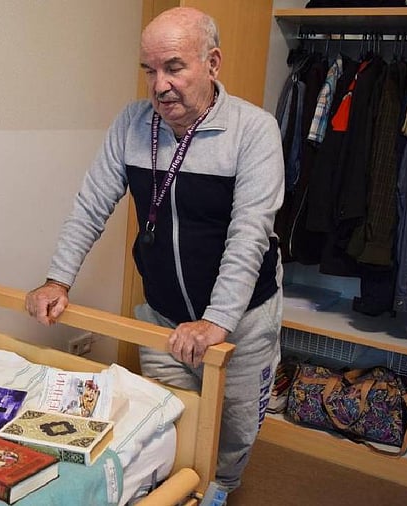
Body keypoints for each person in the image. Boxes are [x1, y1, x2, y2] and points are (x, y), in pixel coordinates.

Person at [24, 7, 284, 492]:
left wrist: (216, 321)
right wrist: (58, 279)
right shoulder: (132, 123)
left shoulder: (254, 131)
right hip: (162, 314)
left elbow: (249, 233)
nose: (159, 85)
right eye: (150, 70)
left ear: (213, 63)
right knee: (173, 424)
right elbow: (91, 204)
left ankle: (219, 493)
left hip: (241, 318)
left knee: (233, 433)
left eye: (174, 67)